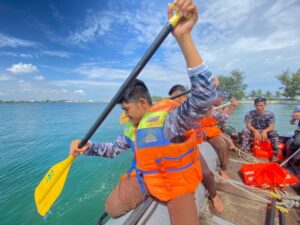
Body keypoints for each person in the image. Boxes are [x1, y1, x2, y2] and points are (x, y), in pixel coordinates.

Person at [70, 1, 217, 224]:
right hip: (146, 177)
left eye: (127, 109)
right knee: (112, 206)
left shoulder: (170, 121)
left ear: (141, 102)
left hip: (175, 182)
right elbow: (113, 149)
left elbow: (204, 98)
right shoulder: (131, 129)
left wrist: (184, 37)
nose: (125, 115)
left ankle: (214, 195)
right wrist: (88, 148)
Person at [168, 84, 224, 213]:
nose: (172, 103)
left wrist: (211, 86)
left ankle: (214, 196)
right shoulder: (171, 113)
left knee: (206, 173)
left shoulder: (192, 110)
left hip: (194, 147)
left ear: (183, 98)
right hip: (178, 149)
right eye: (171, 100)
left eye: (175, 99)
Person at [200, 92, 238, 179]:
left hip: (210, 131)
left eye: (221, 97)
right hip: (199, 131)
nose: (221, 99)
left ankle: (223, 169)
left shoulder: (214, 109)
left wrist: (231, 107)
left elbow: (222, 118)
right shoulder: (204, 105)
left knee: (222, 145)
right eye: (220, 97)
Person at [241, 97, 280, 161]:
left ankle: (275, 154)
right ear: (254, 105)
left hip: (265, 131)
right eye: (257, 105)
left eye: (261, 105)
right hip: (253, 130)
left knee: (274, 132)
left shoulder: (270, 114)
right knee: (245, 130)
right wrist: (255, 131)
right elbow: (248, 125)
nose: (259, 107)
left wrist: (265, 131)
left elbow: (271, 126)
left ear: (265, 105)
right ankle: (244, 150)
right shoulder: (249, 113)